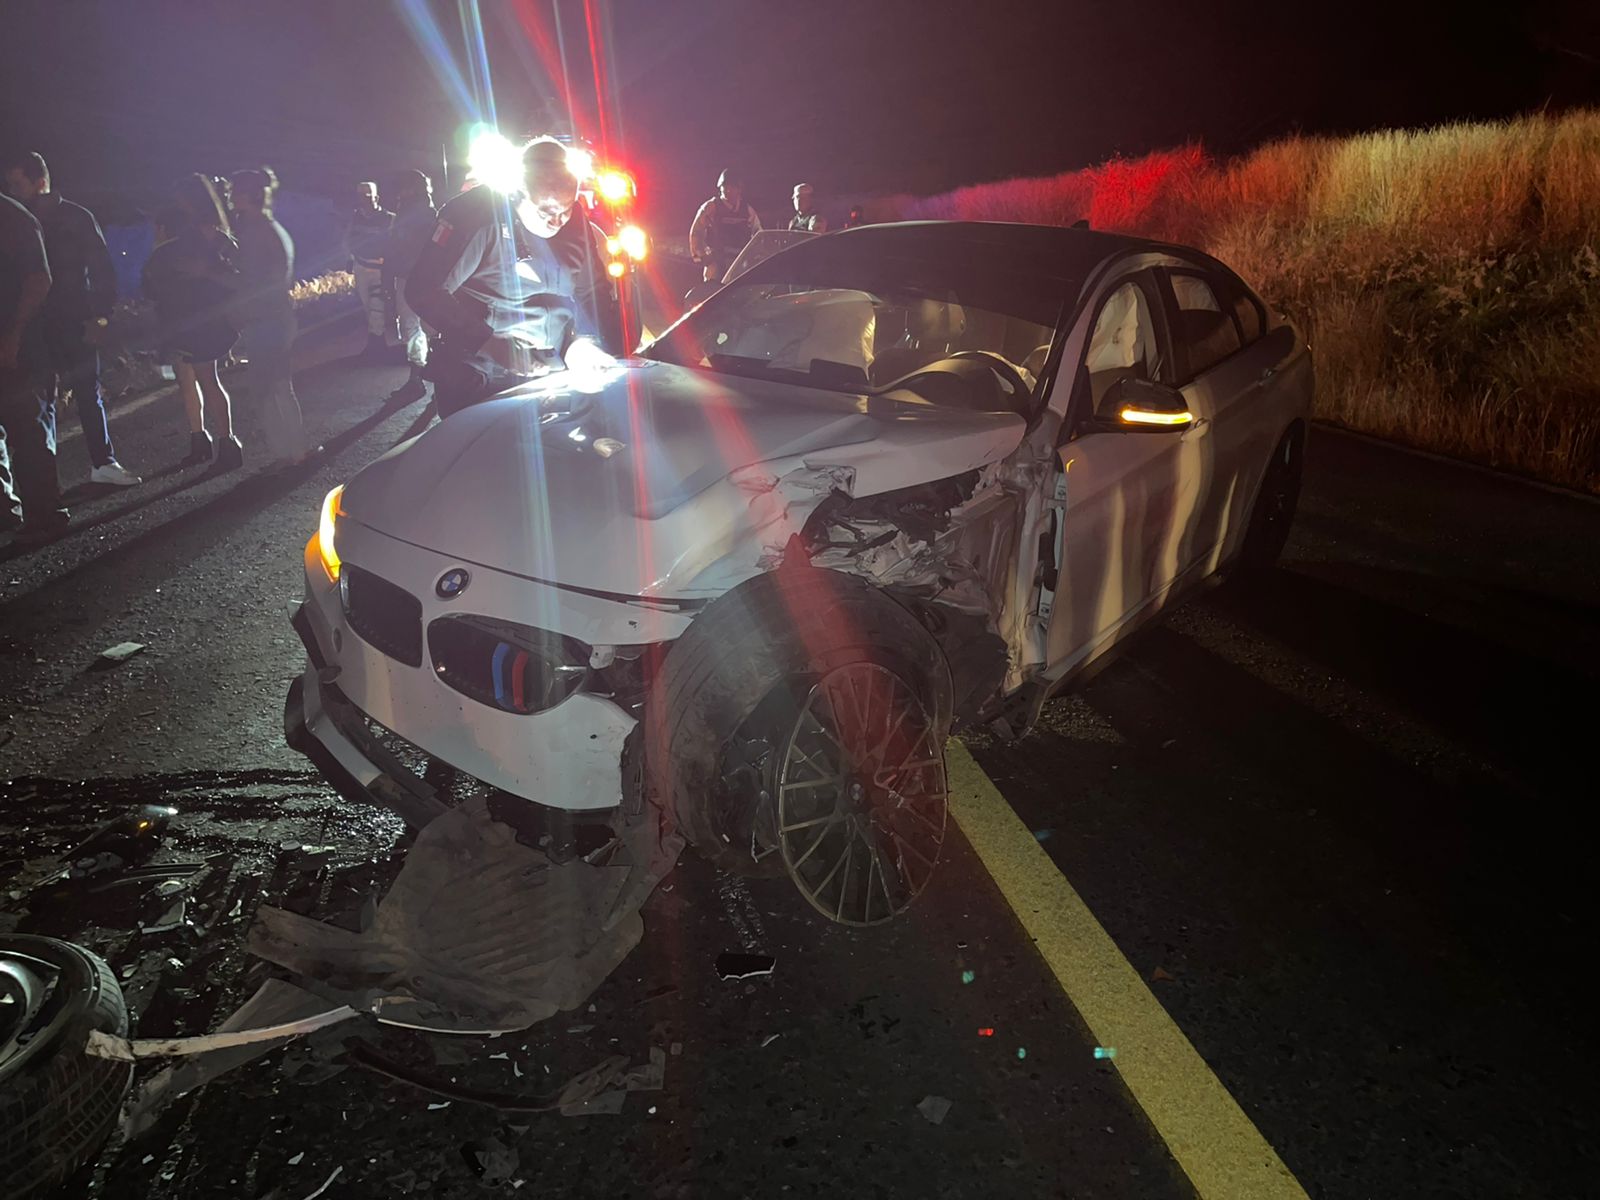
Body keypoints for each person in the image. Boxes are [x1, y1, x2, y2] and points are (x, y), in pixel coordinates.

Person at [405, 136, 616, 419]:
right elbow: (424, 290)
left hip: (553, 369)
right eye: (546, 210)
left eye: (566, 208)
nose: (558, 221)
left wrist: (587, 342)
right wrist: (489, 342)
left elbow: (592, 290)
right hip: (479, 372)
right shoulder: (475, 215)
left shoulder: (573, 219)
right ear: (515, 193)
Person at [3, 152, 141, 487]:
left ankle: (103, 462)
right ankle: (47, 478)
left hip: (74, 319)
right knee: (41, 400)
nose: (12, 191)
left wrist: (102, 318)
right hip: (36, 323)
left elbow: (103, 271)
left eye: (17, 184)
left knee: (86, 391)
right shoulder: (16, 222)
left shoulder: (75, 217)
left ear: (41, 181)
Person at [141, 175, 243, 470]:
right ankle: (201, 438)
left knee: (205, 377)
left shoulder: (207, 231)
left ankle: (227, 441)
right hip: (185, 314)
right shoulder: (194, 230)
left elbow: (229, 267)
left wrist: (201, 271)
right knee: (189, 377)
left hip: (200, 316)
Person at [230, 167, 317, 471]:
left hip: (268, 319)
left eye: (234, 191)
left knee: (274, 387)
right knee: (273, 386)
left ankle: (293, 452)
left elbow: (258, 282)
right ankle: (290, 451)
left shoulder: (259, 232)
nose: (230, 197)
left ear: (248, 195)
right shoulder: (265, 229)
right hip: (272, 317)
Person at [0, 192, 68, 542]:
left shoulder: (14, 219)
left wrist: (14, 333)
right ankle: (9, 510)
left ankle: (45, 514)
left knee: (28, 431)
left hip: (20, 349)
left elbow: (39, 279)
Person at [382, 169, 436, 406]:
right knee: (411, 327)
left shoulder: (428, 214)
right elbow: (393, 248)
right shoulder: (405, 213)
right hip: (407, 277)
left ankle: (435, 379)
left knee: (428, 328)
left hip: (423, 278)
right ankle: (417, 377)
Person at [345, 181, 393, 359]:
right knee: (368, 308)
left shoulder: (388, 218)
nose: (364, 199)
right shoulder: (355, 217)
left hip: (379, 270)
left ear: (376, 197)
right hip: (361, 267)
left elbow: (393, 244)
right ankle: (376, 342)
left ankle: (377, 346)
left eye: (368, 196)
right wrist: (350, 259)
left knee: (377, 308)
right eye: (360, 196)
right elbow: (349, 240)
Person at [688, 169, 761, 283]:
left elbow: (758, 235)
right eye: (724, 186)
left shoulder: (747, 210)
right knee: (713, 293)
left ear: (739, 189)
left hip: (739, 263)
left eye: (732, 187)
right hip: (716, 262)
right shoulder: (711, 207)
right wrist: (702, 256)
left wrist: (755, 257)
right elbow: (696, 232)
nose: (727, 190)